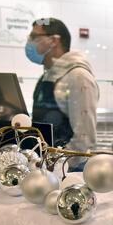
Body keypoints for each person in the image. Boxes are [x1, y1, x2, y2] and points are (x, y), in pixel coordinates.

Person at [25, 18, 98, 171]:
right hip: (44, 167)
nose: (29, 42)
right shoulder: (47, 76)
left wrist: (56, 166)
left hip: (67, 173)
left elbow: (84, 139)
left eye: (34, 37)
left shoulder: (78, 76)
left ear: (54, 41)